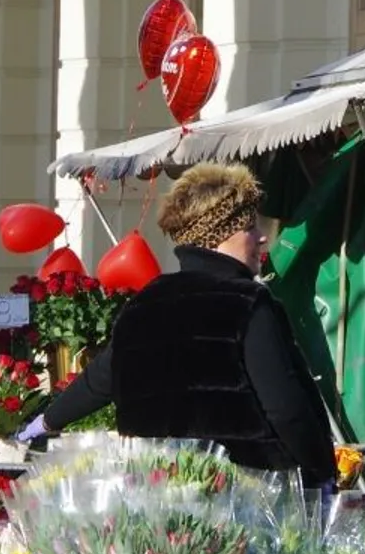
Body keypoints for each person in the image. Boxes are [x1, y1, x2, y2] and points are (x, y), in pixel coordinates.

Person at [27, 161, 337, 485]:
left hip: (156, 499)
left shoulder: (143, 304)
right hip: (244, 497)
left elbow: (99, 379)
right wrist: (321, 473)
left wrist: (47, 421)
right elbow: (287, 409)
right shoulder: (248, 305)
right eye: (249, 228)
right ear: (217, 235)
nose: (262, 239)